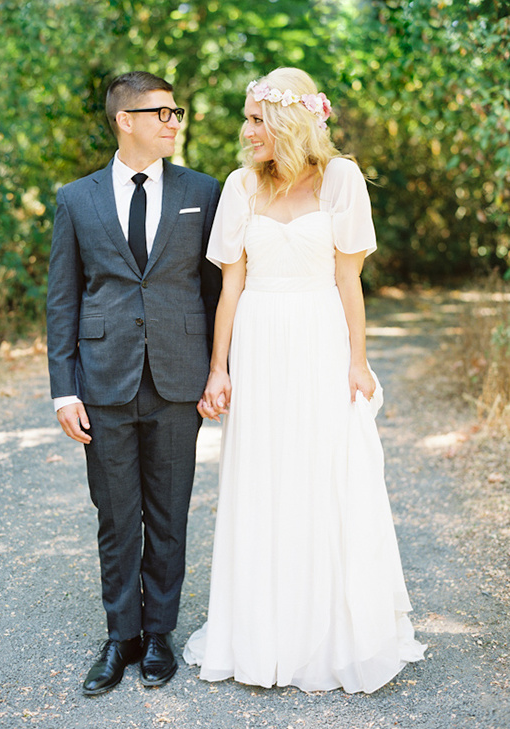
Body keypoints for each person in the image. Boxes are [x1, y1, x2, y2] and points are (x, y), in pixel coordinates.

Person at [183, 67, 426, 694]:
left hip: (321, 339)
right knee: (264, 476)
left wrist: (358, 360)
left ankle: (331, 633)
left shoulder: (340, 178)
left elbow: (350, 279)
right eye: (248, 118)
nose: (247, 130)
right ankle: (264, 633)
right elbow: (229, 286)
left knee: (328, 475)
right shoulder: (241, 186)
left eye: (257, 119)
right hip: (260, 342)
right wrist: (219, 368)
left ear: (289, 122)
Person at [47, 71, 221, 695]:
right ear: (126, 120)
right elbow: (63, 299)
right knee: (117, 515)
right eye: (163, 112)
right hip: (103, 381)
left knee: (169, 511)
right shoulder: (77, 198)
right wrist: (64, 390)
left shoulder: (206, 191)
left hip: (179, 377)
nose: (175, 121)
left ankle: (159, 634)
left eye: (178, 111)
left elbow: (216, 291)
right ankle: (120, 636)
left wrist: (218, 368)